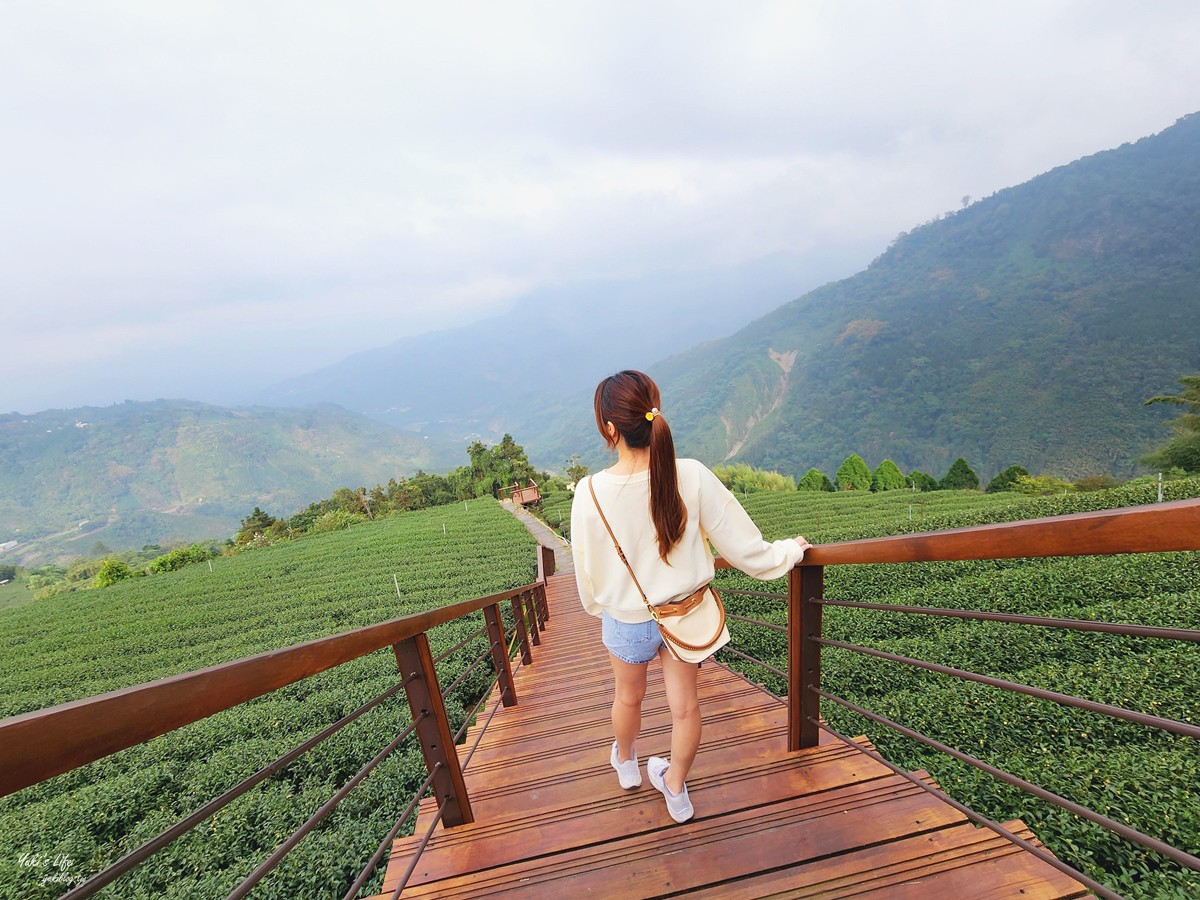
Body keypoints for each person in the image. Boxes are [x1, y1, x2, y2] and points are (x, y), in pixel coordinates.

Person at [571, 370, 812, 823]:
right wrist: (788, 554)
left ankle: (626, 765)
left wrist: (599, 607)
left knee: (627, 698)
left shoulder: (589, 492)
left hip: (628, 619)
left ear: (609, 427)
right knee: (685, 708)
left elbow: (587, 572)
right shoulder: (693, 475)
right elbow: (745, 549)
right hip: (687, 616)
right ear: (653, 413)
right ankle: (676, 790)